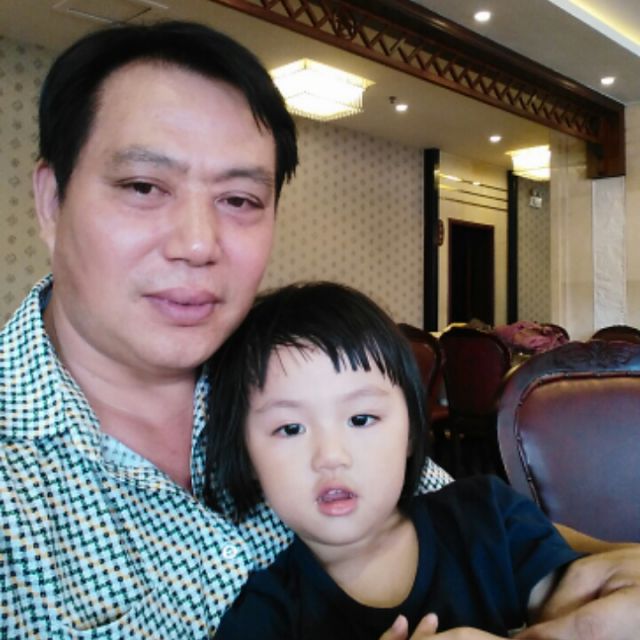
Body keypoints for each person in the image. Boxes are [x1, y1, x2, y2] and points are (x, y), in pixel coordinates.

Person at [0, 17, 639, 640]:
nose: (197, 244)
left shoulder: (289, 370)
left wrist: (598, 574)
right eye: (143, 186)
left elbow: (458, 524)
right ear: (52, 201)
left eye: (239, 200)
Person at [205, 281, 583, 638]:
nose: (330, 457)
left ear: (412, 432)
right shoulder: (261, 615)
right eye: (290, 428)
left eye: (361, 419)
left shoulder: (489, 519)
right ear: (247, 457)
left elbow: (579, 599)